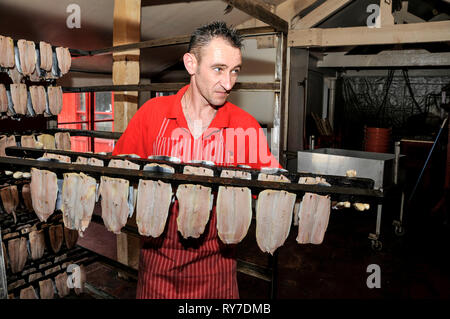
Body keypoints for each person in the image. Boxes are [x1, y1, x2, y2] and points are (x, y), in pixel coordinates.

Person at [112, 21, 280, 299]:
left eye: (234, 71)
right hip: (158, 266)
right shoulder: (152, 114)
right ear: (191, 64)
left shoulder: (244, 125)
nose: (228, 83)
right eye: (218, 69)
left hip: (217, 268)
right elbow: (119, 176)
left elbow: (274, 185)